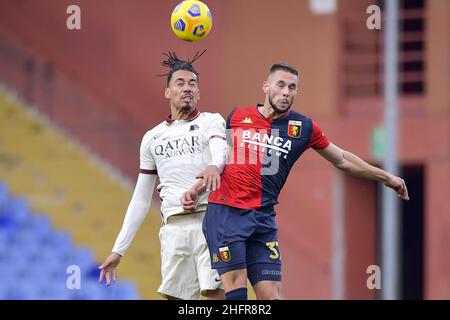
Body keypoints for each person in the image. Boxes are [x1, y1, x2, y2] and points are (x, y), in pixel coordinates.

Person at [186, 63, 409, 300]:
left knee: (271, 296)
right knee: (237, 293)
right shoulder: (238, 115)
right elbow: (222, 162)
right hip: (226, 214)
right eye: (280, 85)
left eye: (292, 87)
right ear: (266, 86)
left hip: (263, 219)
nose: (286, 92)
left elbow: (342, 159)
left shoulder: (303, 127)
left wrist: (386, 177)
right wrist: (196, 188)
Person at [99, 51, 227, 300]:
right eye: (180, 83)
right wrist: (119, 249)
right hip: (173, 228)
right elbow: (140, 198)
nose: (187, 88)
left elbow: (219, 154)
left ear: (199, 93)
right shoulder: (152, 137)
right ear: (167, 92)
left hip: (210, 221)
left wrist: (214, 167)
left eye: (193, 84)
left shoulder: (211, 122)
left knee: (215, 295)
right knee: (176, 299)